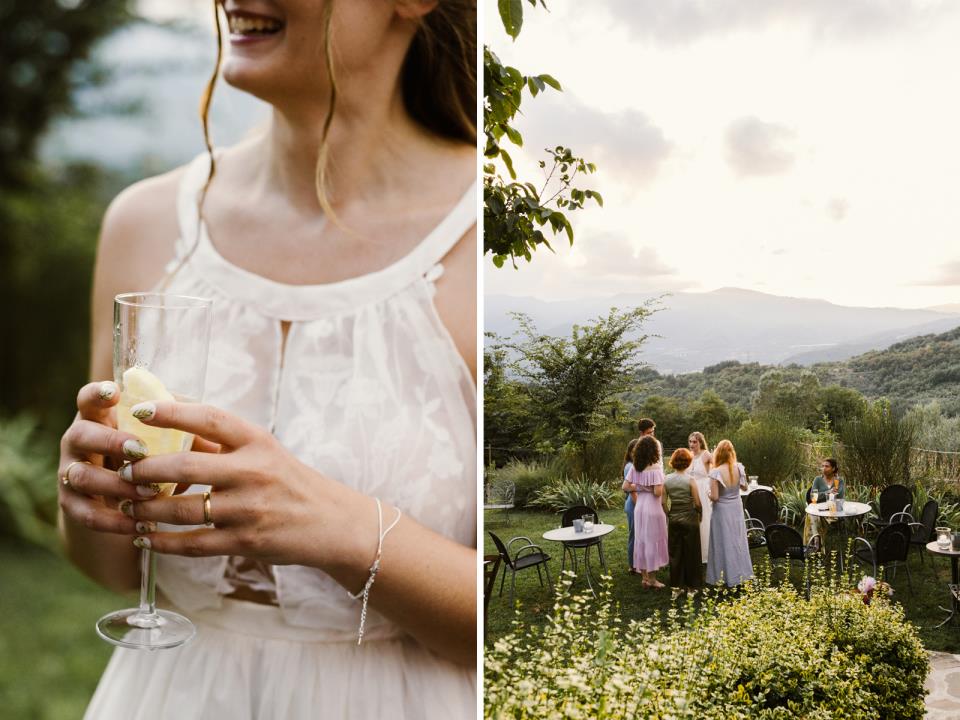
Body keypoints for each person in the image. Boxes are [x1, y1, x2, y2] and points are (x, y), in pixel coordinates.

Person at [56, 2, 477, 717]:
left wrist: (342, 528)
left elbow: (521, 621)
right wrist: (86, 501)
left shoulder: (477, 240)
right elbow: (113, 573)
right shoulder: (144, 222)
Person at [705, 439, 754, 588]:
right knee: (737, 540)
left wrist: (707, 492)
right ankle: (740, 573)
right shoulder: (739, 468)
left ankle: (723, 576)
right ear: (732, 452)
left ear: (718, 454)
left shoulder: (715, 472)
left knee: (722, 541)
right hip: (736, 508)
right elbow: (745, 488)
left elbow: (715, 497)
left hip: (722, 510)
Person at [625, 435, 669, 588]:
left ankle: (644, 577)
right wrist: (649, 487)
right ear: (653, 451)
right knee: (651, 541)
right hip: (652, 507)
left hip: (640, 507)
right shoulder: (656, 468)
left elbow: (625, 487)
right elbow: (657, 492)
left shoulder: (635, 467)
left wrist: (639, 487)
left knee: (641, 540)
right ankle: (652, 579)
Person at [663, 448, 703, 597]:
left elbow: (663, 503)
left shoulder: (666, 479)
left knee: (675, 553)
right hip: (690, 519)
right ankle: (692, 588)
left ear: (673, 462)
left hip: (674, 519)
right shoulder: (690, 480)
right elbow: (697, 503)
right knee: (692, 553)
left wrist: (670, 515)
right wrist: (700, 513)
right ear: (688, 463)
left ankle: (676, 588)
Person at [804, 458, 846, 543]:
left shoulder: (839, 480)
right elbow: (813, 498)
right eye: (822, 466)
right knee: (813, 515)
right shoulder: (817, 479)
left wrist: (822, 494)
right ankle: (816, 543)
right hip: (819, 508)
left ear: (833, 468)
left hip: (833, 510)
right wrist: (828, 492)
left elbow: (840, 496)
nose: (823, 468)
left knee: (813, 516)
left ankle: (816, 543)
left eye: (827, 466)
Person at [688, 431, 713, 564]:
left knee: (704, 521)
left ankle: (706, 554)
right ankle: (694, 551)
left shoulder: (706, 454)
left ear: (700, 442)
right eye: (690, 441)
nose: (692, 444)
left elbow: (717, 468)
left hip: (703, 489)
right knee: (693, 522)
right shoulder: (689, 455)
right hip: (691, 491)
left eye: (695, 442)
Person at [621, 438, 639, 573]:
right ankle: (632, 565)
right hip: (633, 503)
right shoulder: (630, 466)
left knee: (639, 533)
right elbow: (631, 489)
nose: (636, 453)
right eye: (634, 451)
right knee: (634, 534)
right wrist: (640, 506)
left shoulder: (637, 465)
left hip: (636, 501)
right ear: (630, 452)